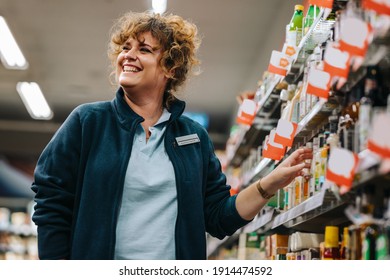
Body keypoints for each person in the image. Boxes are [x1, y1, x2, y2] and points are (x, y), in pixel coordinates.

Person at [31, 11, 312, 260]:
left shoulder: (194, 138)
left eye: (144, 49)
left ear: (170, 68)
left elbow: (218, 216)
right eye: (125, 47)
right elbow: (51, 201)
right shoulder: (88, 122)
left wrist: (270, 184)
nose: (128, 55)